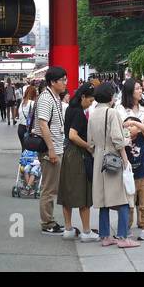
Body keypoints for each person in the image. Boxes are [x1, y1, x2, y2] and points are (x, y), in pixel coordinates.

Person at [89, 82, 138, 248]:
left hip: (98, 159)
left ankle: (105, 236)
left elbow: (90, 141)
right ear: (111, 96)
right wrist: (126, 160)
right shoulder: (113, 113)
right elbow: (118, 140)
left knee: (103, 200)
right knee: (122, 199)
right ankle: (123, 237)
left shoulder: (93, 113)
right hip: (113, 159)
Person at [58, 83, 98, 241]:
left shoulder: (69, 108)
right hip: (78, 155)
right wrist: (88, 147)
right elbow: (73, 135)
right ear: (82, 97)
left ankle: (68, 228)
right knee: (84, 193)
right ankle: (86, 231)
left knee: (67, 190)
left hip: (68, 153)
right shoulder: (79, 114)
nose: (90, 104)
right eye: (89, 101)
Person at [35, 66, 69, 235]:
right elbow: (42, 124)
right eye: (62, 80)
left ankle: (50, 221)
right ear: (53, 82)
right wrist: (51, 150)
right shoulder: (46, 98)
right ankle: (47, 223)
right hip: (51, 149)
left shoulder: (54, 97)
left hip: (56, 146)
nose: (65, 83)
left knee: (52, 187)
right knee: (49, 188)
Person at [121, 78, 144, 240]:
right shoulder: (120, 109)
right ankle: (126, 225)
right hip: (126, 158)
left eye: (141, 88)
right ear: (129, 91)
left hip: (143, 159)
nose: (140, 90)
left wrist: (134, 126)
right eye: (137, 88)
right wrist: (140, 127)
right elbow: (121, 129)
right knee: (129, 197)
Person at [17, 83, 39, 149]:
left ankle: (23, 159)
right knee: (30, 150)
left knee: (24, 149)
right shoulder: (32, 103)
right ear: (34, 94)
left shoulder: (22, 102)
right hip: (28, 128)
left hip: (20, 128)